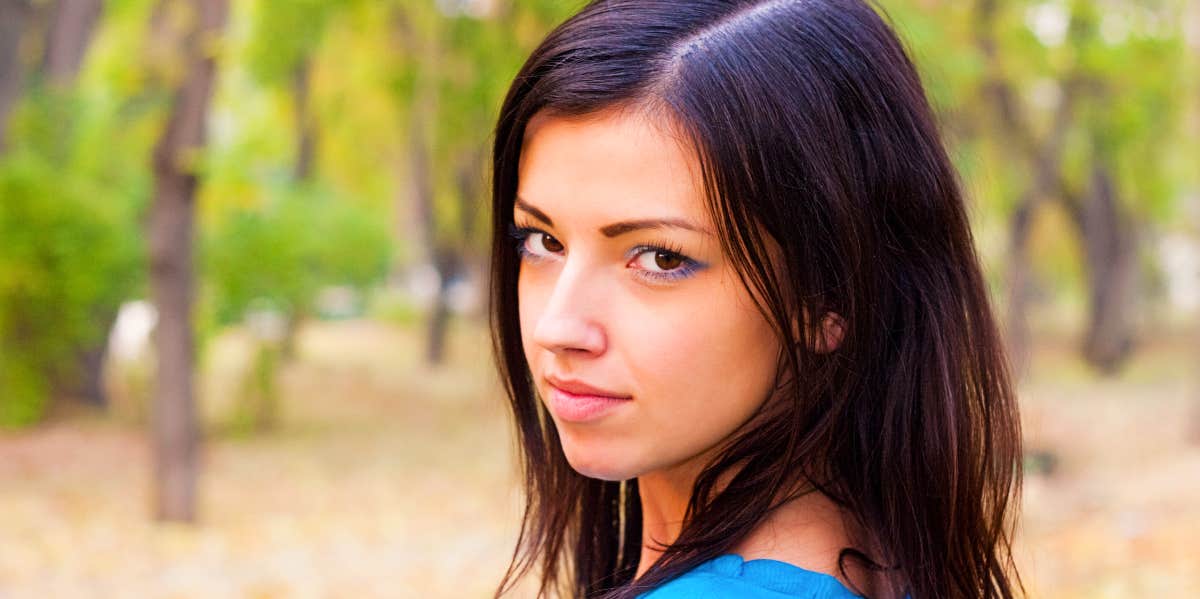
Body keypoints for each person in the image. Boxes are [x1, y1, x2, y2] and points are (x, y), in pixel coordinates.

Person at [486, 1, 1024, 597]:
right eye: (542, 241)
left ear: (828, 294)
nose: (557, 326)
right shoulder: (880, 557)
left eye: (661, 258)